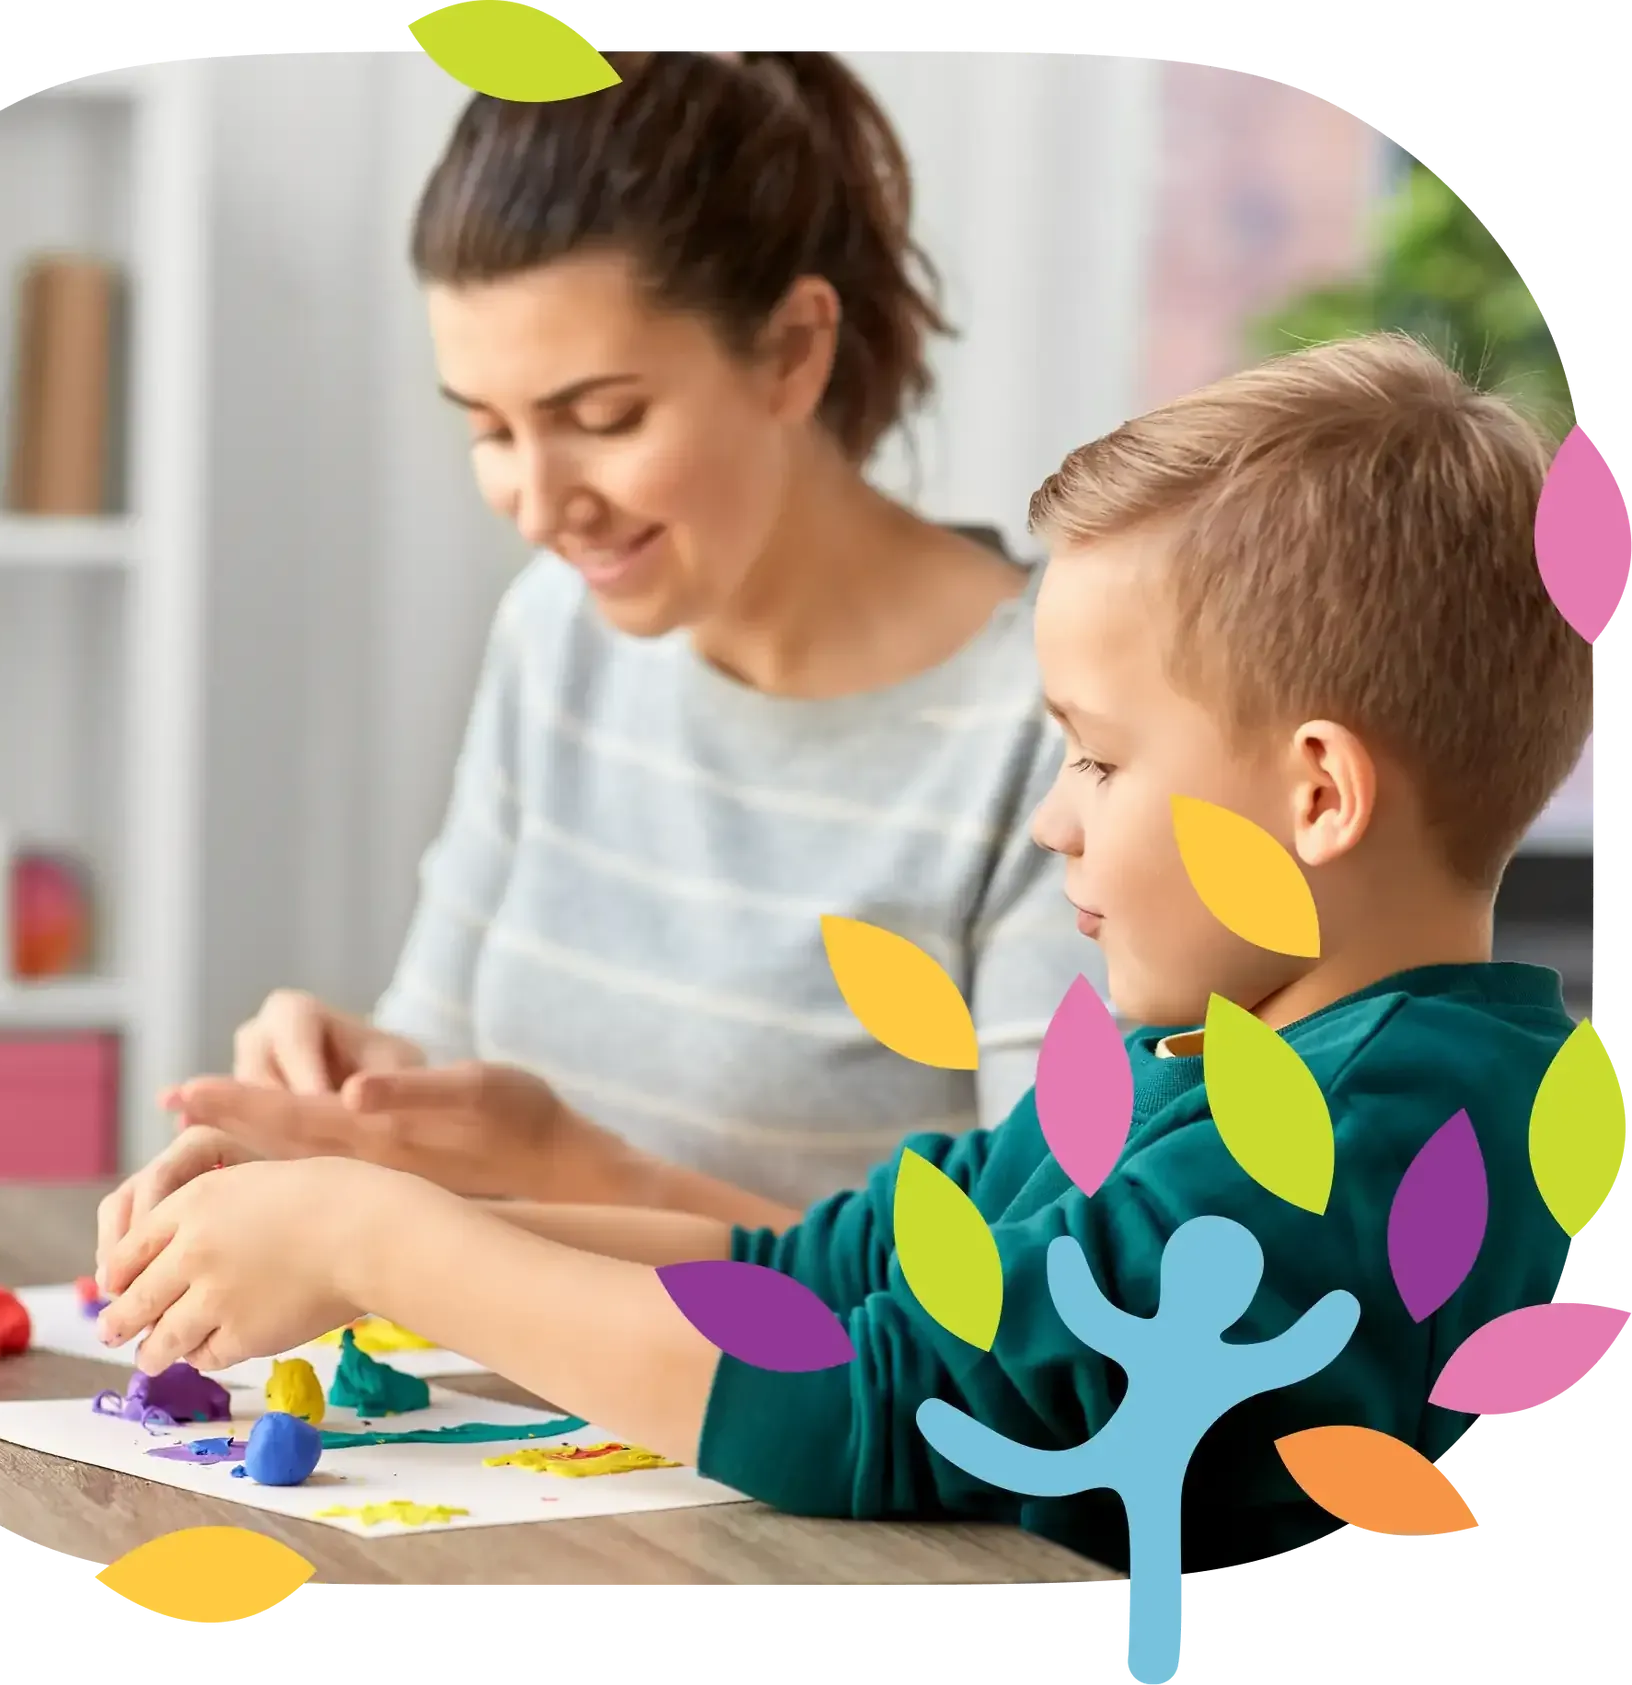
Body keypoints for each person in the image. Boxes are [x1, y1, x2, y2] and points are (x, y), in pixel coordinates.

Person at [94, 332, 1597, 1571]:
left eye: (1100, 763)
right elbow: (816, 1275)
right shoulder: (1215, 1063)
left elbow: (860, 1403)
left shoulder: (1366, 1137)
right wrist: (395, 1227)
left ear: (1318, 794)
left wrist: (382, 1237)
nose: (1055, 826)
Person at [104, 48, 1106, 1245]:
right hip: (513, 1427)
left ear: (793, 349)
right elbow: (448, 1082)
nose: (538, 502)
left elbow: (1037, 1296)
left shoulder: (1059, 712)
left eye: (601, 419)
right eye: (489, 429)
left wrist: (578, 1169)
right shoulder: (557, 631)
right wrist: (358, 1104)